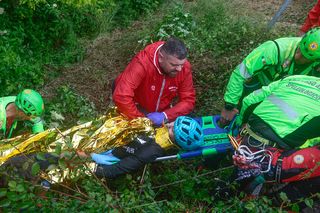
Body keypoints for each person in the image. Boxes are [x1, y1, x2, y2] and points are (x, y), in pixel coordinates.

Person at [231, 75, 320, 203]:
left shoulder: (296, 78)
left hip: (244, 140)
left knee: (238, 181)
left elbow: (249, 100)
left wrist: (240, 126)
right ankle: (277, 203)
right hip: (273, 157)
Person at [221, 27, 320, 126]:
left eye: (305, 58)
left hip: (282, 94)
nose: (298, 57)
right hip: (259, 84)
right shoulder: (276, 48)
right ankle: (232, 124)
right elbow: (241, 73)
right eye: (299, 50)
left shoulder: (317, 65)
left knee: (284, 120)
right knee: (240, 110)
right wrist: (229, 105)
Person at [77, 116, 204, 179]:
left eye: (172, 128)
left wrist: (100, 171)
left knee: (76, 153)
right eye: (173, 122)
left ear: (175, 139)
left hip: (111, 154)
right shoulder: (161, 129)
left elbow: (125, 165)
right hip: (114, 138)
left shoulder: (153, 150)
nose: (170, 124)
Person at [112, 37, 196, 126]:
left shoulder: (184, 67)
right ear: (161, 57)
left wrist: (165, 115)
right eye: (174, 65)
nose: (179, 69)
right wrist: (141, 121)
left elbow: (188, 100)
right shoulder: (143, 63)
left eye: (181, 64)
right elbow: (121, 95)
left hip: (160, 112)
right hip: (135, 106)